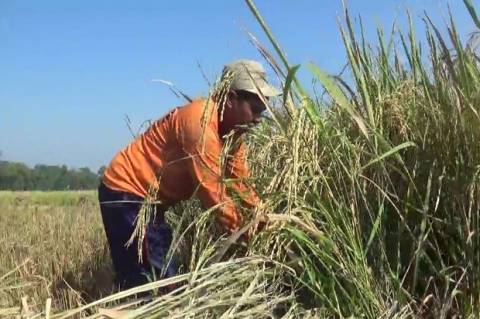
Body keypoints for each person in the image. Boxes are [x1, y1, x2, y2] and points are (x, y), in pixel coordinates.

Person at [98, 59, 280, 290]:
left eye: (261, 113)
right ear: (231, 99)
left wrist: (264, 223)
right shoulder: (199, 123)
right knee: (155, 284)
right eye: (254, 110)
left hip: (151, 202)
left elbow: (240, 183)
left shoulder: (234, 133)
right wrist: (248, 237)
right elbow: (215, 198)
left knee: (153, 274)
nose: (257, 120)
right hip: (127, 193)